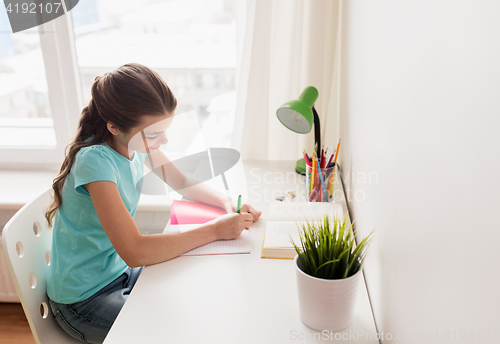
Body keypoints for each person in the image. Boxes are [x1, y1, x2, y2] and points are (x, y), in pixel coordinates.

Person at [45, 63, 261, 344]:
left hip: (119, 272)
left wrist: (228, 203)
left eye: (164, 130)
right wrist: (215, 230)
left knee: (195, 298)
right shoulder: (95, 161)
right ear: (114, 127)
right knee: (176, 332)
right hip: (83, 300)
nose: (165, 140)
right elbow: (134, 251)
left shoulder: (134, 143)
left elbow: (181, 181)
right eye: (155, 134)